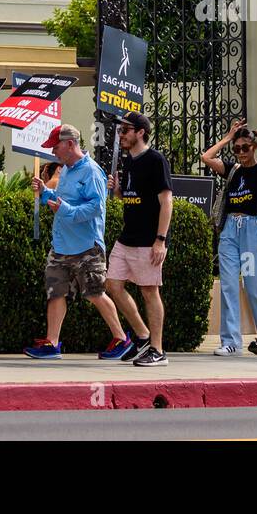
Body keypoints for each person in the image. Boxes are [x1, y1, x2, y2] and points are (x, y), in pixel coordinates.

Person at [25, 123, 132, 360]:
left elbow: (96, 207)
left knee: (94, 292)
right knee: (55, 293)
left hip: (87, 246)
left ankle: (122, 339)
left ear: (70, 144)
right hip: (62, 244)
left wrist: (65, 210)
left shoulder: (92, 172)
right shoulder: (67, 170)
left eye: (55, 147)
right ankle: (52, 343)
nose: (53, 152)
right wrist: (45, 193)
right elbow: (62, 201)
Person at [201, 120, 257, 356]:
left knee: (255, 285)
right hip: (230, 230)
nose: (241, 152)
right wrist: (227, 137)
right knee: (229, 286)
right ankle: (230, 341)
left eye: (246, 147)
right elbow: (206, 157)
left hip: (252, 229)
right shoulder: (233, 170)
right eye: (237, 149)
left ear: (254, 147)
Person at [105, 113, 173, 368]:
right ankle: (143, 336)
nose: (121, 134)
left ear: (141, 132)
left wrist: (160, 240)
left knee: (149, 291)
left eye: (126, 130)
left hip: (147, 239)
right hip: (127, 237)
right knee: (112, 285)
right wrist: (118, 190)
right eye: (121, 130)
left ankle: (158, 349)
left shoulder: (155, 160)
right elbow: (132, 196)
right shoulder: (128, 161)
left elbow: (166, 201)